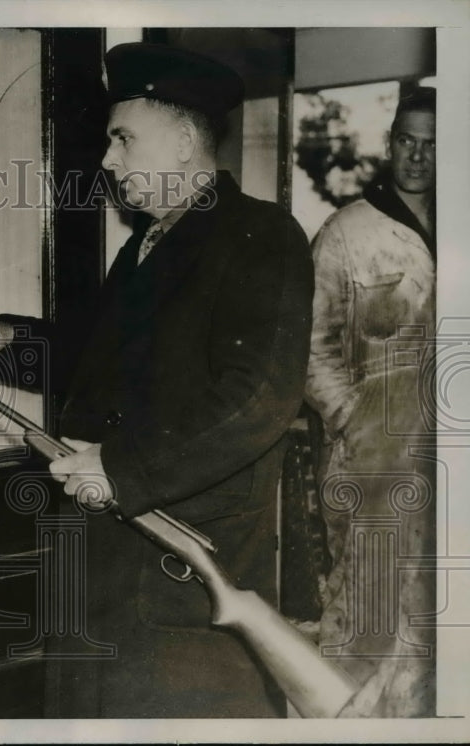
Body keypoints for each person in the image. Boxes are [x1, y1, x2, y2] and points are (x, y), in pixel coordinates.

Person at [0, 42, 314, 717]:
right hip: (105, 562)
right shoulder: (148, 244)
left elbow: (256, 401)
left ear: (186, 141)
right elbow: (105, 359)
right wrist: (3, 337)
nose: (108, 160)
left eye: (123, 139)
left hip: (175, 582)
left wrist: (122, 470)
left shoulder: (262, 235)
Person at [304, 87, 436, 717]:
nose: (417, 155)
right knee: (367, 620)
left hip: (452, 466)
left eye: (434, 144)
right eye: (406, 140)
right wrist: (354, 423)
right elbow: (311, 349)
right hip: (374, 467)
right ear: (389, 145)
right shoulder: (348, 233)